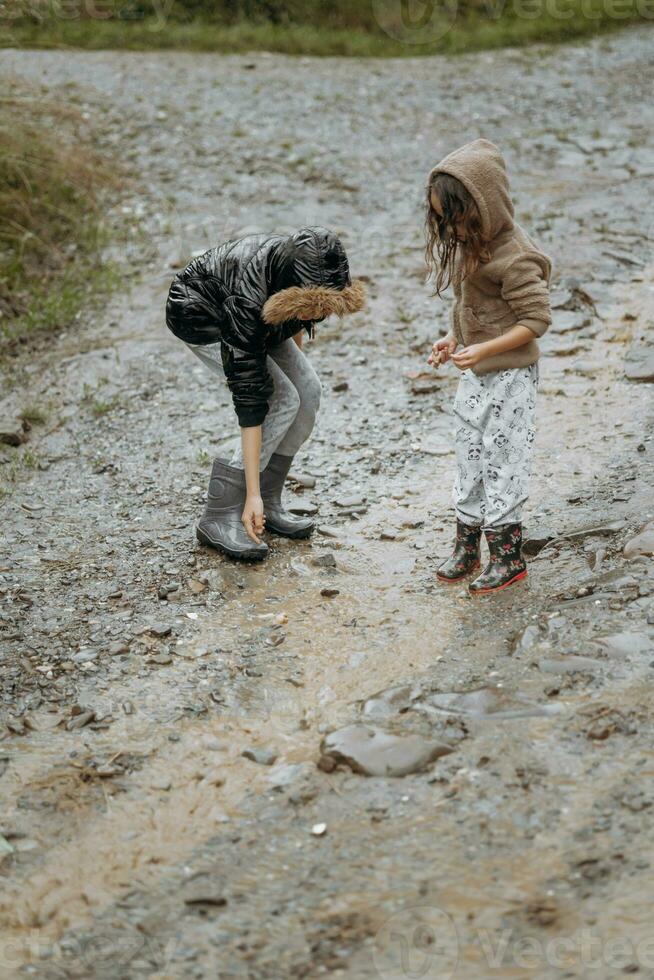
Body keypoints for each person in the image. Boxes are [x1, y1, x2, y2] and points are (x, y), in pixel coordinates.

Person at [166, 227, 365, 561]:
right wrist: (251, 494)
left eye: (320, 309)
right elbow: (252, 398)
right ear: (288, 290)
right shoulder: (247, 299)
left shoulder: (309, 281)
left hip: (261, 316)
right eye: (306, 307)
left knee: (308, 391)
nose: (313, 316)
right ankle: (220, 513)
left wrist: (297, 366)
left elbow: (294, 325)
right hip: (204, 314)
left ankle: (270, 504)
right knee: (282, 399)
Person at [425, 139, 552, 594]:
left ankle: (507, 553)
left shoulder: (516, 257)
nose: (449, 229)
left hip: (510, 377)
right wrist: (453, 339)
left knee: (503, 458)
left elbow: (536, 321)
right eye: (441, 219)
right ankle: (467, 543)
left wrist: (486, 350)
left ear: (484, 206)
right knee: (469, 452)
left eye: (454, 218)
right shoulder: (470, 246)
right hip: (477, 372)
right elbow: (471, 306)